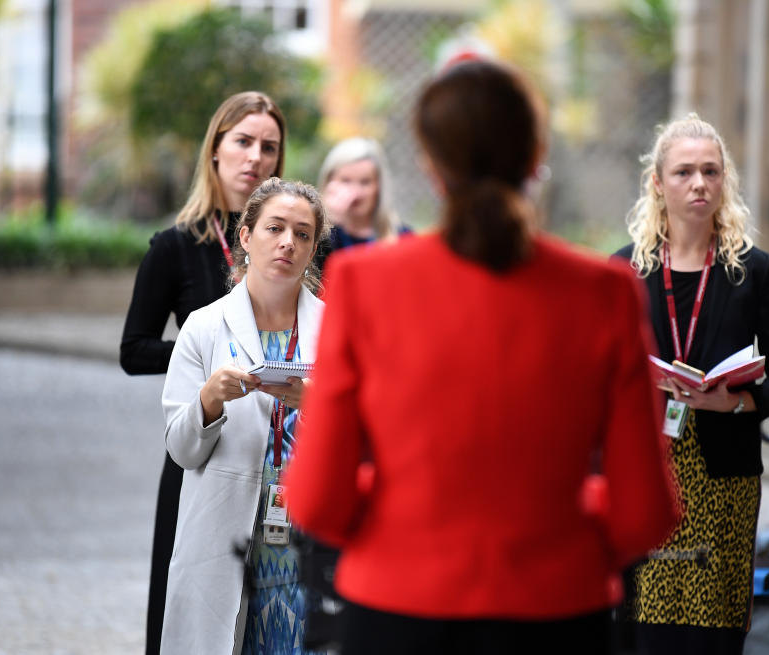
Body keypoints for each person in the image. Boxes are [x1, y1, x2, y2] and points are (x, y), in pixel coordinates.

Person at [284, 59, 679, 655]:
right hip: (557, 614)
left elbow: (317, 500)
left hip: (398, 612)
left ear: (429, 165)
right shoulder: (605, 291)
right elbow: (643, 515)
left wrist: (407, 513)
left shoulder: (365, 284)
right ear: (535, 154)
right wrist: (561, 518)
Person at [614, 113, 769, 654]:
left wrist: (741, 402)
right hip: (649, 475)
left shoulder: (752, 271)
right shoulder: (623, 273)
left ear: (725, 181)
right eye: (683, 172)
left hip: (723, 479)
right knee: (645, 631)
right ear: (658, 184)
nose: (699, 183)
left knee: (712, 635)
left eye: (711, 171)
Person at [119, 90, 286, 655]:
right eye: (242, 142)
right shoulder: (175, 246)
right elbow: (134, 348)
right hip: (201, 451)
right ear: (214, 151)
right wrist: (207, 355)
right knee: (185, 611)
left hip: (282, 457)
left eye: (269, 147)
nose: (255, 158)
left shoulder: (297, 241)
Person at [159, 177, 327, 654]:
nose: (287, 243)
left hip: (303, 545)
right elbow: (182, 448)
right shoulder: (205, 326)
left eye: (302, 234)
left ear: (313, 249)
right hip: (225, 535)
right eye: (275, 228)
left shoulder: (336, 330)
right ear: (246, 236)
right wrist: (209, 400)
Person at [312, 136, 409, 274]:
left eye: (365, 182)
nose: (355, 192)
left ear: (379, 187)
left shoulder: (402, 237)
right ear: (328, 183)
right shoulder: (313, 236)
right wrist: (327, 223)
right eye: (345, 181)